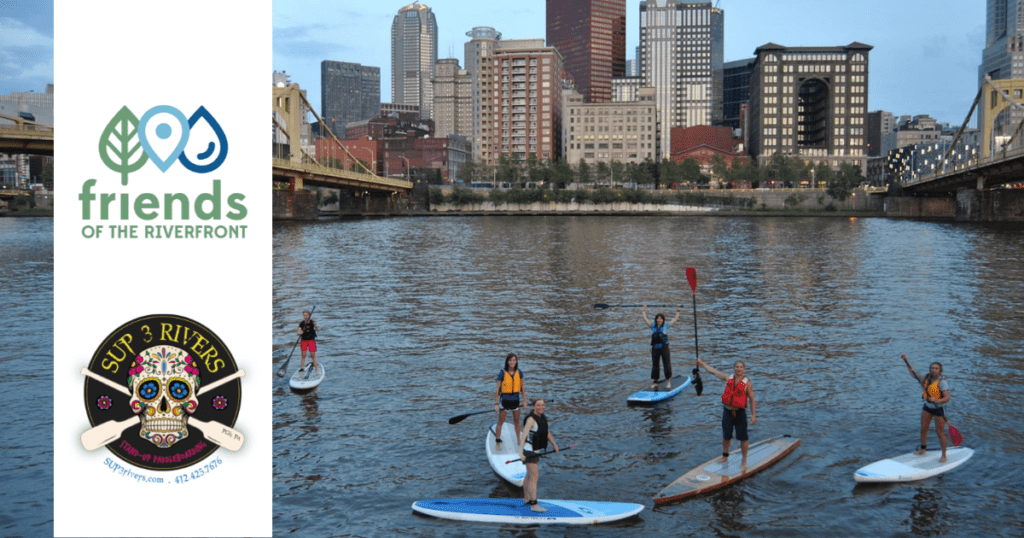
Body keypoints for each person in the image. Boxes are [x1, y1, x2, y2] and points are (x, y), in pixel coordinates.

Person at [696, 358, 757, 468]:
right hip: (727, 412)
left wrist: (753, 415)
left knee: (743, 438)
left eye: (741, 367)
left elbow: (752, 399)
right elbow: (713, 371)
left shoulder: (747, 383)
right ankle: (725, 456)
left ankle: (744, 460)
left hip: (740, 413)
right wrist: (702, 364)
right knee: (726, 436)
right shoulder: (727, 377)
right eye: (737, 367)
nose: (739, 369)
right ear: (734, 368)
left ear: (744, 369)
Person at [902, 355, 950, 463]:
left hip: (939, 409)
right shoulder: (926, 379)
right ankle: (923, 449)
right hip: (927, 407)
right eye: (932, 368)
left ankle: (944, 455)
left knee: (940, 432)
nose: (934, 370)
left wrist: (937, 401)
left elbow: (947, 398)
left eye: (936, 368)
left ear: (940, 370)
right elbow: (914, 374)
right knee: (923, 428)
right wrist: (906, 363)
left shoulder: (942, 382)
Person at [519, 399, 558, 513]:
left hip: (535, 451)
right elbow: (523, 436)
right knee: (534, 477)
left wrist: (554, 444)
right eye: (538, 405)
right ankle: (534, 504)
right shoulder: (531, 420)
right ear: (534, 407)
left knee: (529, 475)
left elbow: (546, 432)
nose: (541, 407)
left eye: (543, 405)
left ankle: (527, 498)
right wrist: (520, 453)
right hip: (529, 452)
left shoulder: (542, 417)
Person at [642, 305, 682, 388]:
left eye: (660, 318)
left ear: (663, 320)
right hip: (655, 349)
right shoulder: (653, 325)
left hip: (664, 348)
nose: (659, 320)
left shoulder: (666, 325)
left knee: (666, 364)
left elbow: (675, 319)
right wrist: (644, 310)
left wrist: (678, 310)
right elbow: (645, 318)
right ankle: (655, 382)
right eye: (658, 318)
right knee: (655, 365)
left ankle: (668, 382)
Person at [494, 353, 527, 446]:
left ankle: (519, 440)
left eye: (514, 360)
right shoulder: (502, 373)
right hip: (504, 402)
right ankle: (498, 441)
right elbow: (497, 389)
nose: (512, 362)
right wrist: (496, 404)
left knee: (517, 421)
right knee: (501, 421)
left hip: (516, 401)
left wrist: (524, 401)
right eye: (510, 360)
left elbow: (523, 388)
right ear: (507, 362)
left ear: (516, 361)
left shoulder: (519, 372)